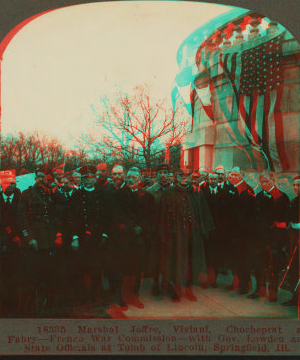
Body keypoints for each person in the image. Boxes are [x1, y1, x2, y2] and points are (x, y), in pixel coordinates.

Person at [158, 169, 214, 302]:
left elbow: (203, 211)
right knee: (175, 262)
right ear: (176, 178)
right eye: (180, 176)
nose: (184, 179)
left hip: (192, 235)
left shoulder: (194, 192)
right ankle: (174, 290)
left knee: (191, 262)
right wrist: (163, 235)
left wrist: (204, 230)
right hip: (175, 236)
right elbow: (161, 216)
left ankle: (189, 289)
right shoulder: (168, 193)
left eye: (186, 176)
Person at [18, 166, 60, 316]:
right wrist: (29, 238)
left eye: (45, 177)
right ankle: (30, 305)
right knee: (32, 273)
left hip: (48, 240)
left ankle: (45, 302)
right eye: (40, 176)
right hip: (34, 241)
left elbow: (56, 215)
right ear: (35, 178)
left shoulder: (51, 193)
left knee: (47, 272)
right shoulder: (26, 194)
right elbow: (22, 219)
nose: (42, 180)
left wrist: (57, 235)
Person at [69, 165, 111, 309]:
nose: (88, 180)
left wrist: (105, 234)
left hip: (98, 237)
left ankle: (95, 296)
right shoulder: (76, 194)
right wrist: (74, 237)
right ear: (82, 180)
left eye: (91, 177)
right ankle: (82, 297)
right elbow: (72, 217)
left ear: (95, 178)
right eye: (85, 178)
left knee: (97, 268)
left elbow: (107, 216)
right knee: (80, 268)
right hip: (81, 237)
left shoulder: (102, 193)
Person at [247, 171, 290, 302]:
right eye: (262, 181)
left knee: (273, 265)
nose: (263, 183)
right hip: (260, 236)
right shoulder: (259, 195)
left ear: (273, 181)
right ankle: (259, 290)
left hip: (275, 238)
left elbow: (282, 220)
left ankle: (272, 292)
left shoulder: (281, 197)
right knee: (259, 263)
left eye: (266, 181)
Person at [106, 164, 141, 309]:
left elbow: (134, 213)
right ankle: (110, 294)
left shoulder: (130, 192)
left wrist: (126, 226)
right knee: (109, 266)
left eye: (119, 174)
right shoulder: (106, 191)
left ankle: (118, 295)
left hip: (124, 236)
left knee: (121, 266)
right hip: (108, 236)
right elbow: (103, 213)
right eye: (114, 174)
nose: (116, 177)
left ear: (124, 176)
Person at [125, 167, 155, 309]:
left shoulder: (147, 196)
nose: (131, 179)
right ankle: (122, 295)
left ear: (139, 178)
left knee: (138, 267)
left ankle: (135, 295)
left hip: (140, 236)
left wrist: (141, 227)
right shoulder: (120, 193)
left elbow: (150, 215)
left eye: (134, 177)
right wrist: (131, 226)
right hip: (124, 234)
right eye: (129, 176)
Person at [227, 167, 255, 295]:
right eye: (231, 174)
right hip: (233, 232)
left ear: (241, 176)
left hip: (243, 233)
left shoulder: (247, 189)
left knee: (244, 259)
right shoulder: (232, 188)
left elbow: (247, 214)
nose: (232, 176)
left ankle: (245, 285)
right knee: (235, 259)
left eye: (235, 174)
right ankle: (237, 283)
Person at [146, 163, 171, 297]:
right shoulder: (150, 191)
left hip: (171, 232)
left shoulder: (174, 190)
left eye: (166, 172)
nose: (163, 175)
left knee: (170, 259)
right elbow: (147, 214)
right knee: (156, 260)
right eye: (160, 172)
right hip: (156, 232)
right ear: (156, 175)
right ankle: (156, 285)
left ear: (169, 175)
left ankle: (169, 285)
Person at [0, 178, 22, 317]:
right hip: (3, 241)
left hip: (16, 243)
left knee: (14, 273)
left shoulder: (20, 199)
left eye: (12, 183)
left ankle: (13, 304)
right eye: (6, 183)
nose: (9, 186)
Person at [282, 175, 300, 306]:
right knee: (294, 269)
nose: (296, 188)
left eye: (298, 185)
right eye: (294, 185)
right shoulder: (294, 201)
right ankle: (295, 298)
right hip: (294, 240)